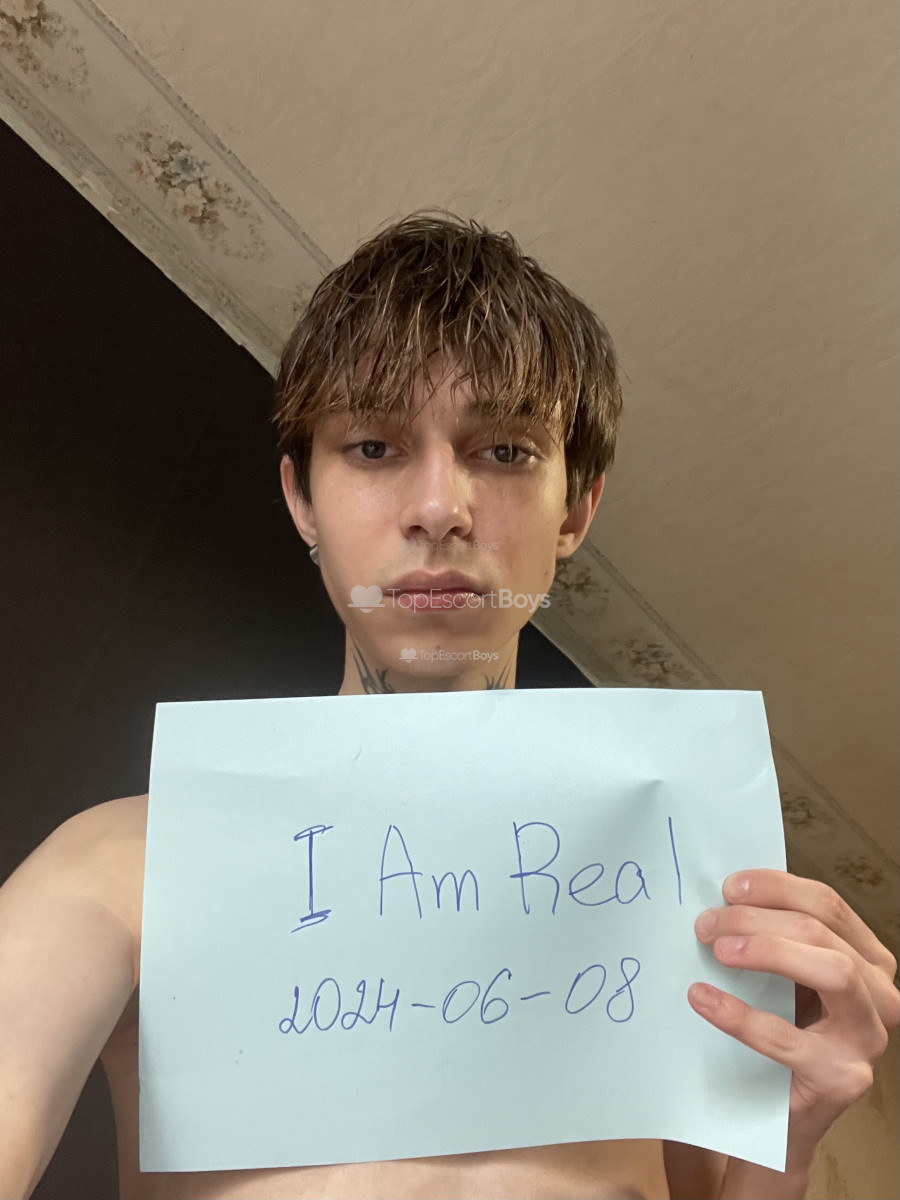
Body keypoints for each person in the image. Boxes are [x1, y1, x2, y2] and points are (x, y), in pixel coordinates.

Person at [0, 211, 896, 1200]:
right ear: (301, 500)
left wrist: (790, 1141)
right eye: (373, 446)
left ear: (577, 508)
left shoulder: (686, 897)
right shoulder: (124, 871)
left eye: (505, 450)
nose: (439, 507)